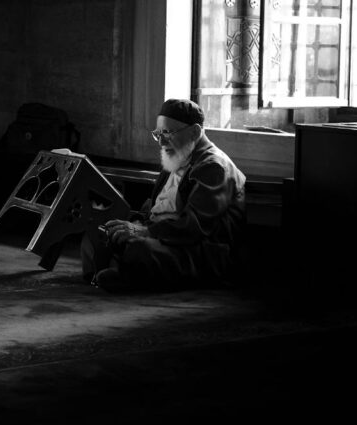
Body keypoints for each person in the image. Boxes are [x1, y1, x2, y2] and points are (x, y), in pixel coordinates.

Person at [83, 98, 247, 292]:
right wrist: (133, 224)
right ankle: (121, 271)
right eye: (158, 134)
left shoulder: (214, 167)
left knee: (139, 249)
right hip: (162, 237)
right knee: (100, 228)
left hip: (196, 250)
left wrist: (143, 232)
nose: (161, 141)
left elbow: (193, 227)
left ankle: (127, 274)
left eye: (167, 133)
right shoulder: (178, 156)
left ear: (194, 132)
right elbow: (152, 211)